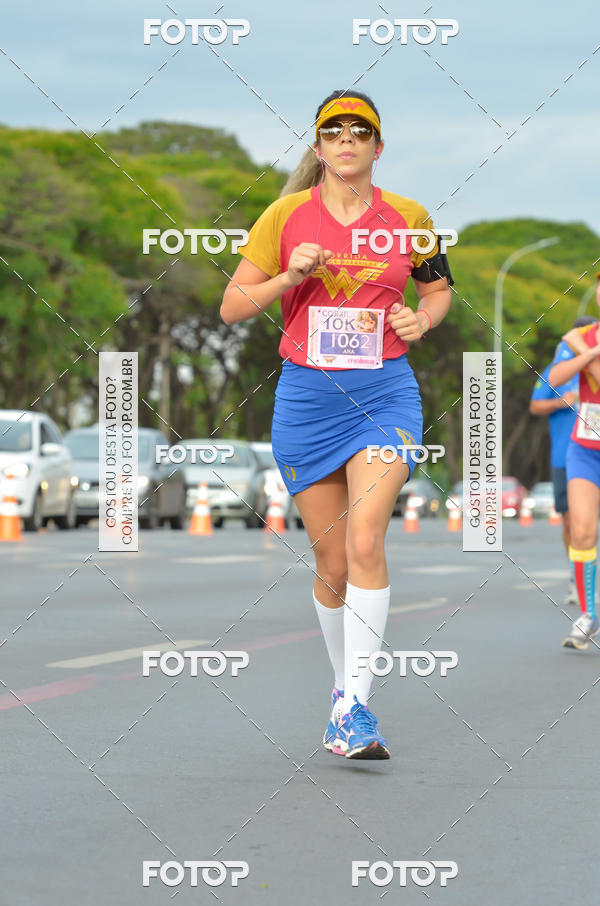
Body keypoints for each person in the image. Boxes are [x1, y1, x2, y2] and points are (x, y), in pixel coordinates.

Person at [220, 90, 453, 758]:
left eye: (361, 131)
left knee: (365, 541)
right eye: (334, 131)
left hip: (384, 395)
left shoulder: (411, 218)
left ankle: (357, 708)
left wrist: (422, 319)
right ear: (319, 146)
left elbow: (436, 290)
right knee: (329, 564)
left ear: (379, 147)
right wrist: (286, 277)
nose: (347, 140)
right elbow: (233, 307)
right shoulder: (284, 216)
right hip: (306, 400)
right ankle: (339, 696)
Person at [548, 274, 600, 649]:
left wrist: (582, 349)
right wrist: (585, 352)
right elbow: (555, 378)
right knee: (582, 530)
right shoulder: (587, 337)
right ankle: (588, 615)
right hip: (584, 447)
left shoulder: (579, 336)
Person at [529, 316, 595, 606]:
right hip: (566, 456)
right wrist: (560, 402)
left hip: (594, 453)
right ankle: (575, 576)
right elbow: (534, 405)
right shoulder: (559, 372)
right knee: (572, 521)